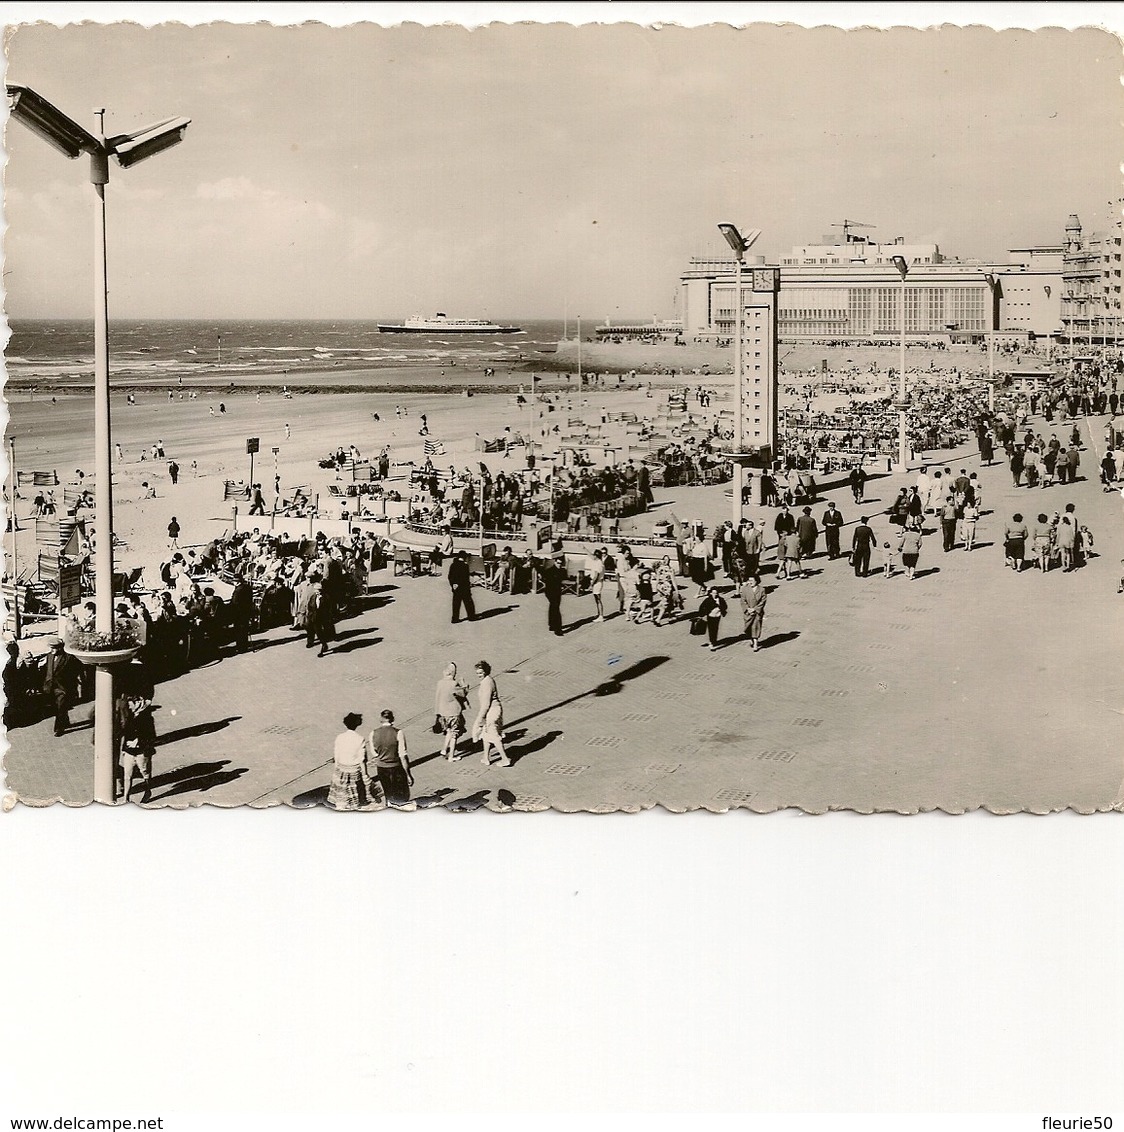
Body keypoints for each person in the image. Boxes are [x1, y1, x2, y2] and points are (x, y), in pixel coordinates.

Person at [327, 712, 380, 811]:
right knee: (355, 796)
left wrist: (337, 770)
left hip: (341, 769)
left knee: (341, 797)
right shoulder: (360, 739)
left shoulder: (340, 737)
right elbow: (362, 759)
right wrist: (365, 775)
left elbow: (336, 755)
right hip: (354, 771)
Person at [367, 709, 413, 806]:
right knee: (400, 794)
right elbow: (403, 756)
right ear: (392, 719)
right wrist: (408, 775)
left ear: (381, 719)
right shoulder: (398, 733)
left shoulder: (373, 733)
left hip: (382, 769)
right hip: (396, 768)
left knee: (388, 792)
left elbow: (374, 753)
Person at [118, 690, 156, 804]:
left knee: (145, 772)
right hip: (129, 751)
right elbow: (126, 733)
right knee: (127, 775)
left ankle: (148, 791)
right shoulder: (130, 716)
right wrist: (124, 749)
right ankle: (126, 798)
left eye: (131, 704)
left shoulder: (147, 718)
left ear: (137, 703)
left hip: (141, 751)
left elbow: (151, 735)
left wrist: (138, 741)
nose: (129, 707)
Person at [473, 660, 510, 767]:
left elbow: (486, 704)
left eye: (480, 673)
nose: (479, 675)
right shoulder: (487, 680)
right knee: (486, 734)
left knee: (494, 735)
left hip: (492, 711)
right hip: (493, 710)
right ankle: (486, 758)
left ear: (485, 671)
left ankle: (505, 759)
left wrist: (479, 719)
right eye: (477, 673)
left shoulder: (486, 683)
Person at [43, 637, 81, 737]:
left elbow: (77, 670)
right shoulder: (49, 656)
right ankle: (65, 719)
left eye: (53, 648)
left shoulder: (69, 658)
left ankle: (59, 728)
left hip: (63, 688)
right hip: (50, 687)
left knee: (60, 707)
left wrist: (73, 685)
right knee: (57, 707)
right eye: (50, 648)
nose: (51, 650)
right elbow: (48, 670)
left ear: (60, 648)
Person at [434, 663, 469, 761]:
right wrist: (464, 685)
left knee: (448, 731)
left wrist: (437, 713)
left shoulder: (440, 682)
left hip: (443, 713)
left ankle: (444, 750)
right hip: (453, 712)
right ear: (453, 673)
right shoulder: (453, 684)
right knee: (454, 734)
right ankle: (451, 756)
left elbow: (437, 697)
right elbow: (463, 694)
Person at [739, 573, 767, 651]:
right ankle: (751, 639)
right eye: (749, 580)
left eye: (752, 580)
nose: (750, 582)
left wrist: (755, 609)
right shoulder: (745, 589)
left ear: (756, 581)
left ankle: (755, 644)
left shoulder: (761, 589)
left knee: (756, 627)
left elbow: (763, 601)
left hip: (757, 612)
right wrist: (747, 609)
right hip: (748, 612)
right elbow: (742, 600)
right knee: (747, 628)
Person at [448, 550, 476, 624]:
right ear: (464, 557)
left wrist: (453, 584)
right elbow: (465, 578)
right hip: (464, 587)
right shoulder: (465, 566)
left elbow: (450, 576)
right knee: (468, 602)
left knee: (456, 603)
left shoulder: (453, 565)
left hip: (456, 587)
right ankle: (471, 616)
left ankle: (455, 618)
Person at [696, 585, 727, 652]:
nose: (715, 594)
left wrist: (721, 609)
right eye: (713, 593)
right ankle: (711, 642)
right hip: (711, 616)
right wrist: (702, 614)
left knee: (716, 629)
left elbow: (725, 606)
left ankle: (713, 640)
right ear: (710, 593)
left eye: (716, 593)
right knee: (711, 629)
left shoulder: (721, 599)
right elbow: (702, 607)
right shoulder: (708, 600)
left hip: (718, 616)